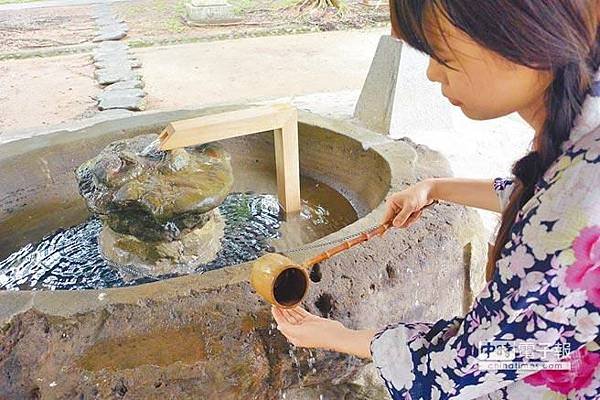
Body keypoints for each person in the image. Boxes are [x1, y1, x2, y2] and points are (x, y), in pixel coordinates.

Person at [271, 1, 600, 398]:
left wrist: (338, 336)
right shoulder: (584, 141)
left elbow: (467, 366)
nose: (431, 73)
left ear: (524, 34)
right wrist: (437, 187)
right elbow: (544, 202)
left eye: (441, 55)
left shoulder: (578, 202)